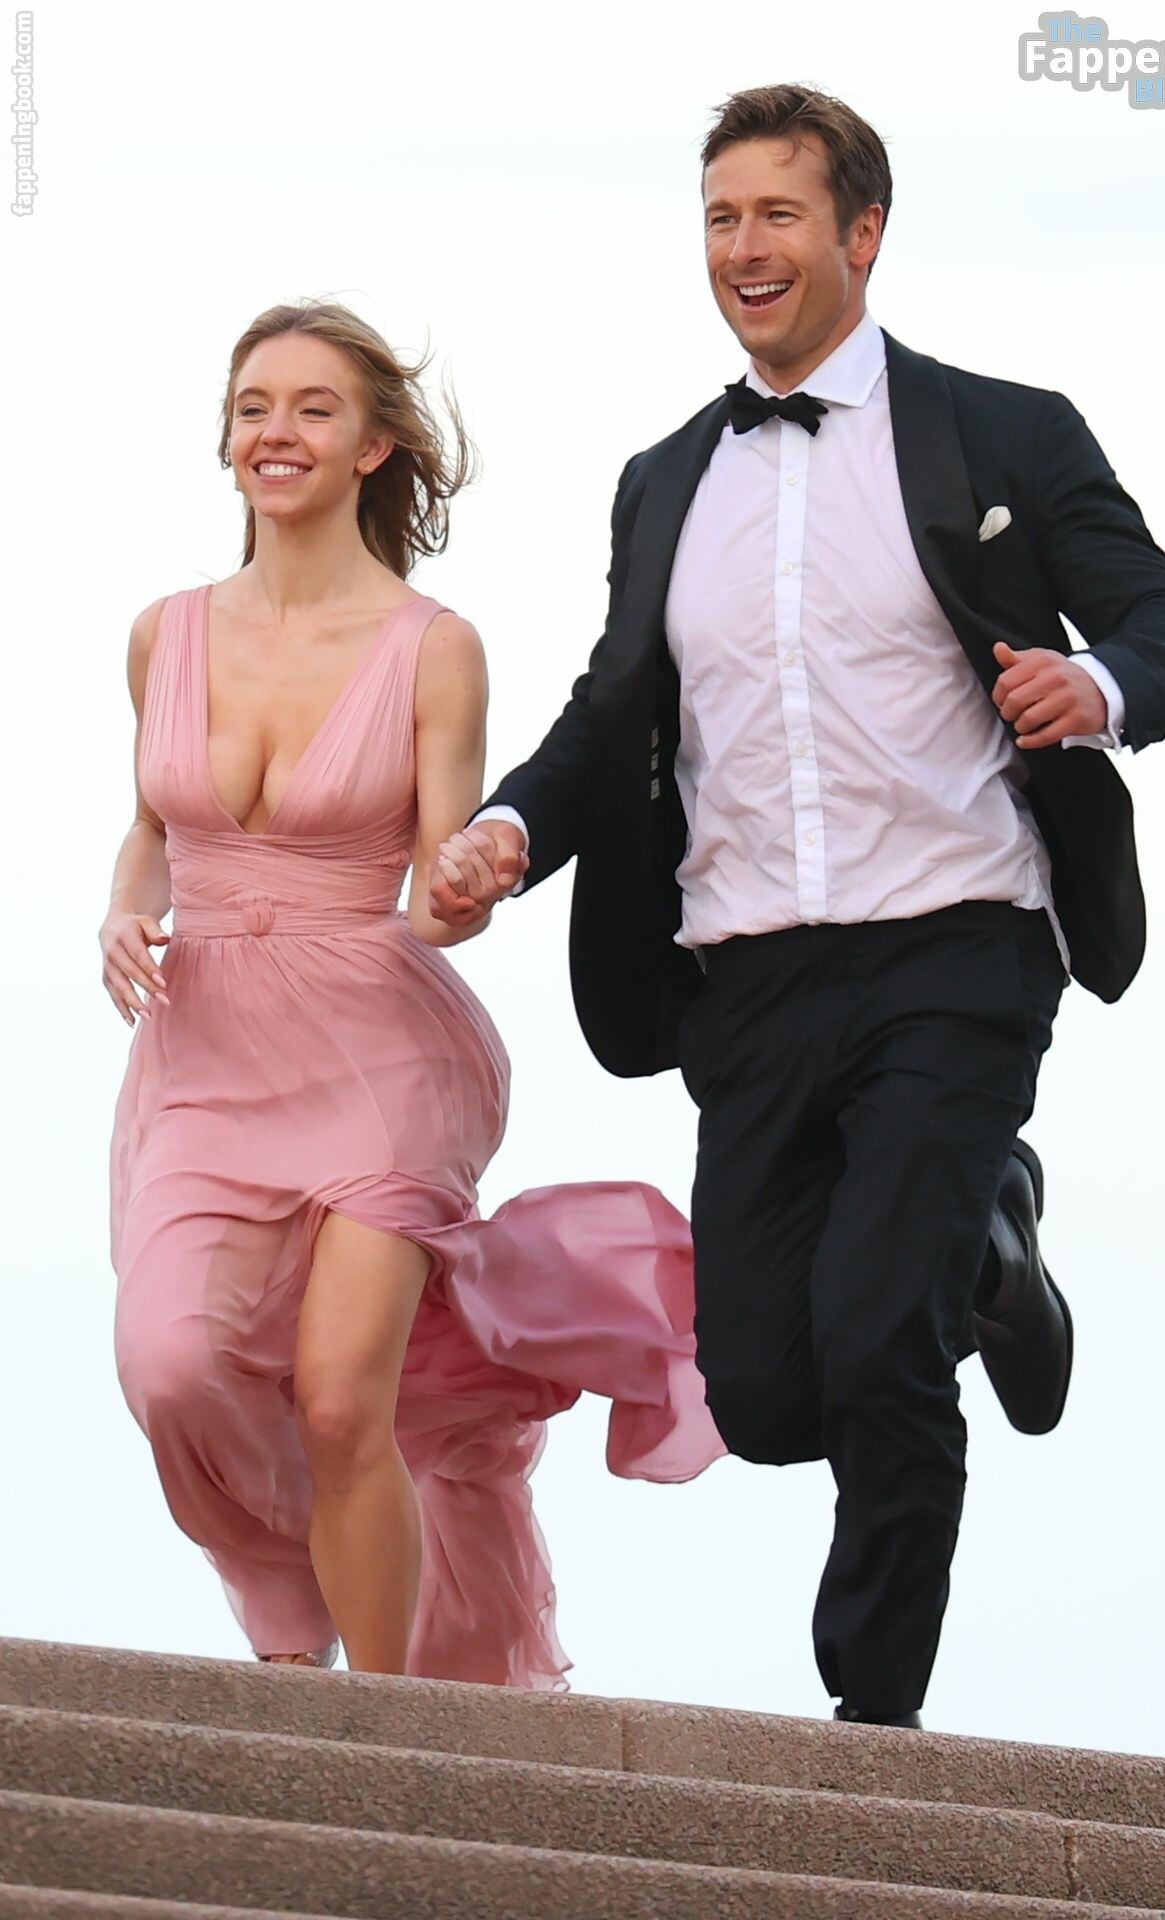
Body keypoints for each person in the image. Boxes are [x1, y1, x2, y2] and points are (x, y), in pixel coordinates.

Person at [429, 85, 1165, 1726]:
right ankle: (991, 1240)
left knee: (876, 1343)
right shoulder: (666, 479)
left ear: (864, 232)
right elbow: (613, 712)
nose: (746, 247)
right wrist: (508, 829)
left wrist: (1094, 687)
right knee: (770, 1392)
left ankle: (873, 1730)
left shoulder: (1003, 434)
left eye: (779, 214)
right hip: (749, 982)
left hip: (957, 949)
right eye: (722, 218)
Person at [103, 299, 723, 1683]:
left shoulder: (432, 647)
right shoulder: (162, 635)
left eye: (313, 408)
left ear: (374, 446)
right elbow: (152, 824)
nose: (276, 432)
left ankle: (382, 1735)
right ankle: (293, 1598)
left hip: (378, 1057)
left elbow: (447, 894)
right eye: (254, 406)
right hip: (206, 1054)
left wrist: (466, 882)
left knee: (342, 1402)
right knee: (171, 1366)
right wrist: (124, 906)